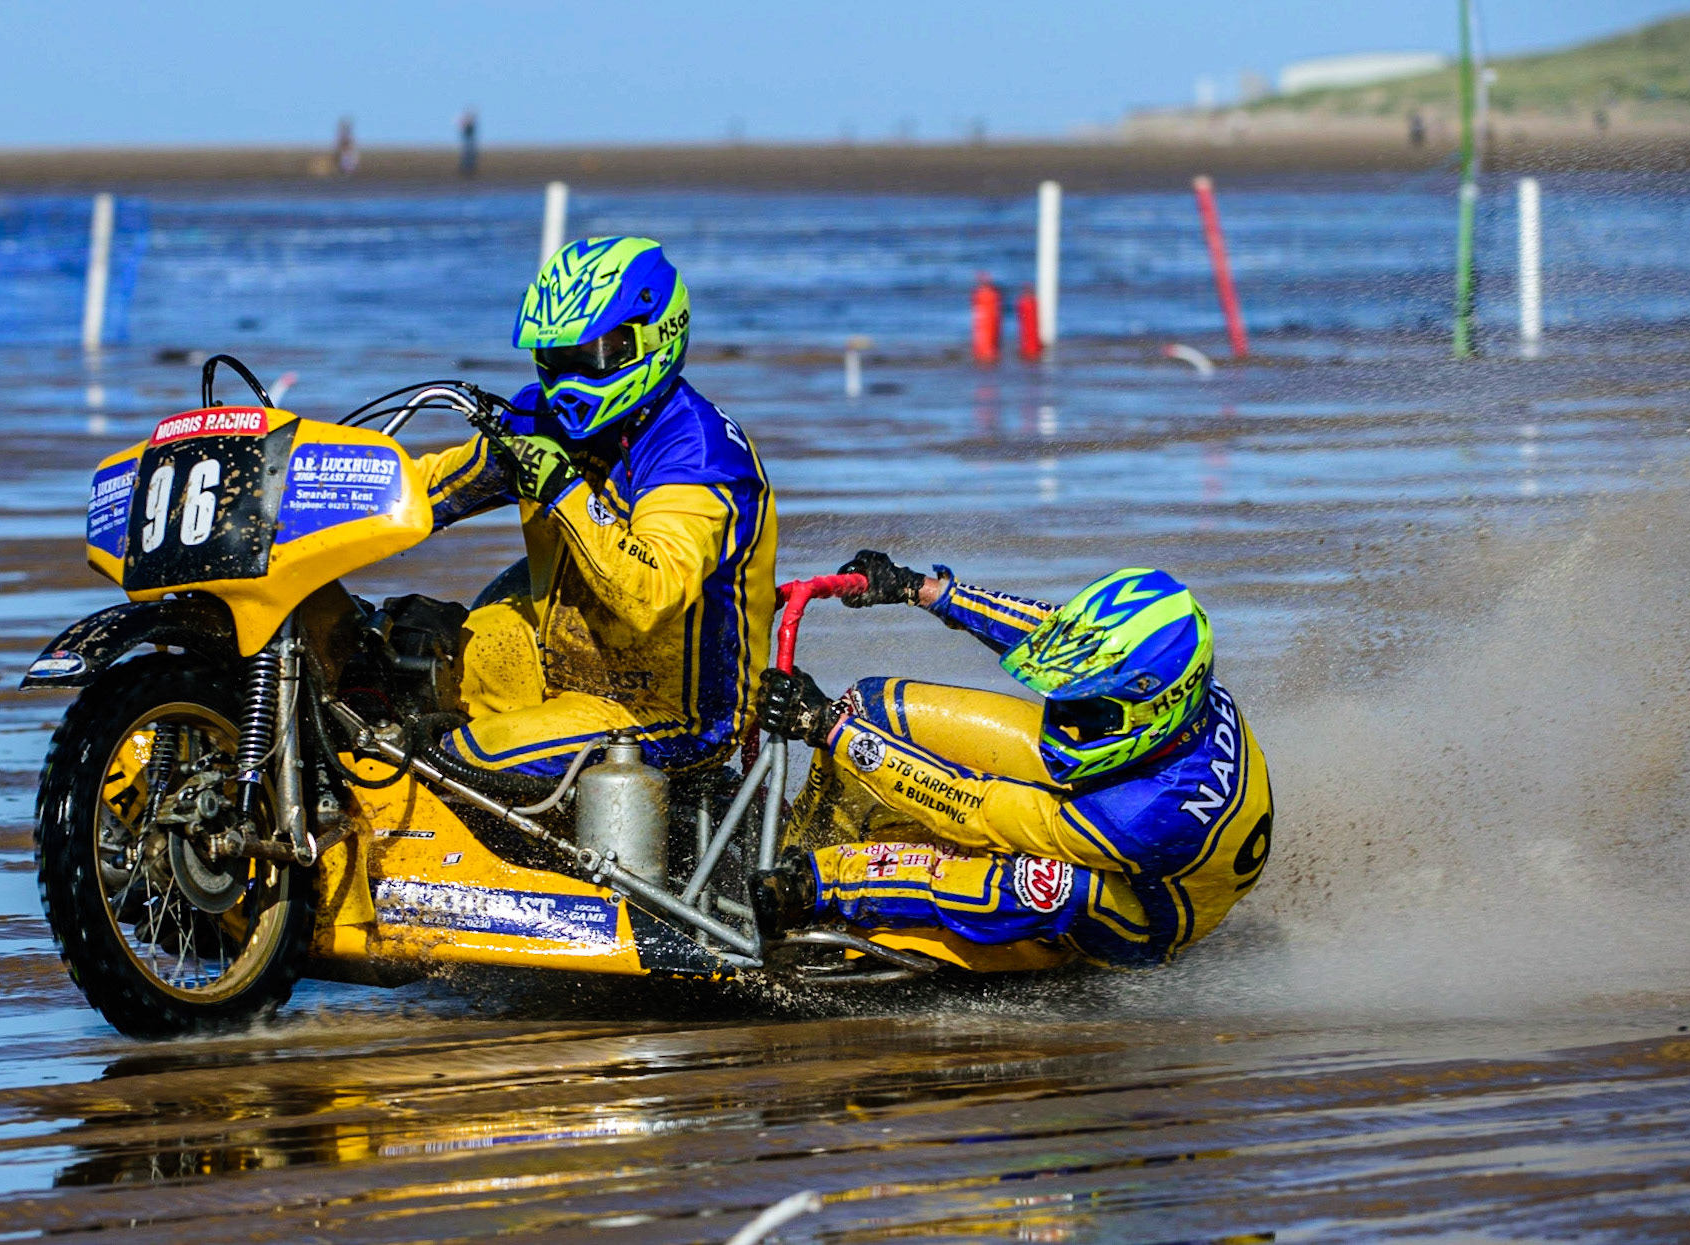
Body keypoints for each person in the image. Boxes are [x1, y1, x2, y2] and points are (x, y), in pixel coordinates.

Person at [749, 553, 1272, 967]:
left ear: (1150, 707)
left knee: (1059, 887)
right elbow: (1056, 635)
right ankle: (793, 847)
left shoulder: (1142, 817)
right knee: (869, 707)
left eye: (1087, 707)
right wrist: (919, 589)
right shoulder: (1171, 678)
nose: (1065, 718)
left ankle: (817, 885)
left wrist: (827, 730)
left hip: (1138, 920)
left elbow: (980, 806)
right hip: (1120, 800)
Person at [414, 237, 777, 792]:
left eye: (595, 354)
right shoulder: (536, 417)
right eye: (556, 360)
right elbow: (425, 491)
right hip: (566, 673)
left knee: (460, 757)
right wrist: (294, 478)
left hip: (675, 717)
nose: (571, 379)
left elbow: (652, 592)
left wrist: (564, 489)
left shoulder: (699, 454)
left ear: (656, 337)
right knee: (401, 658)